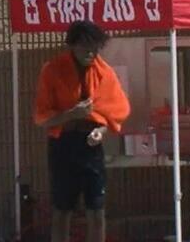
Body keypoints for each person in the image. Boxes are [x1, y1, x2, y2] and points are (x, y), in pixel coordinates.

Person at [34, 21, 130, 242]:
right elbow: (42, 118)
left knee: (96, 209)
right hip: (63, 144)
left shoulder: (104, 72)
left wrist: (101, 131)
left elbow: (116, 110)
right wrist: (72, 114)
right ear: (72, 45)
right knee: (62, 209)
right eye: (85, 47)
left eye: (95, 48)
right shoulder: (52, 70)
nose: (91, 53)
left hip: (91, 145)